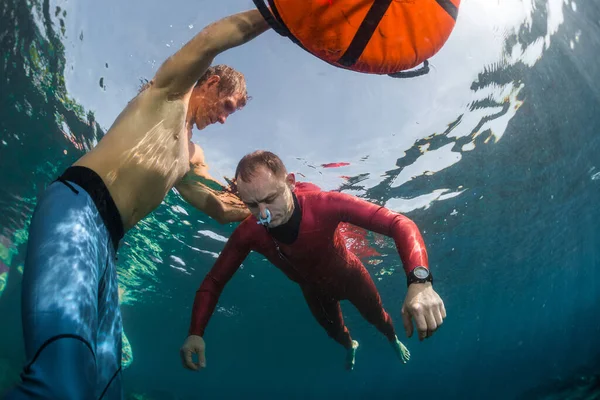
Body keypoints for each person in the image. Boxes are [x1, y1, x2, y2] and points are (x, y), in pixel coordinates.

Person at [5, 10, 270, 399]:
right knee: (59, 385)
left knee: (107, 388)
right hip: (76, 207)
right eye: (228, 105)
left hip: (107, 246)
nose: (226, 119)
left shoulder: (189, 156)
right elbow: (216, 38)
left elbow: (216, 207)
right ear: (211, 82)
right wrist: (277, 16)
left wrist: (260, 208)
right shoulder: (170, 92)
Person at [180, 151, 447, 371]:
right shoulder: (249, 232)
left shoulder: (323, 205)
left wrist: (419, 281)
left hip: (350, 277)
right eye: (252, 205)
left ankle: (393, 340)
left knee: (379, 319)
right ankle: (350, 346)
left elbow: (399, 222)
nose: (263, 214)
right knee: (337, 334)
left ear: (291, 183)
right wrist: (196, 332)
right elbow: (214, 281)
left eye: (270, 199)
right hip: (314, 292)